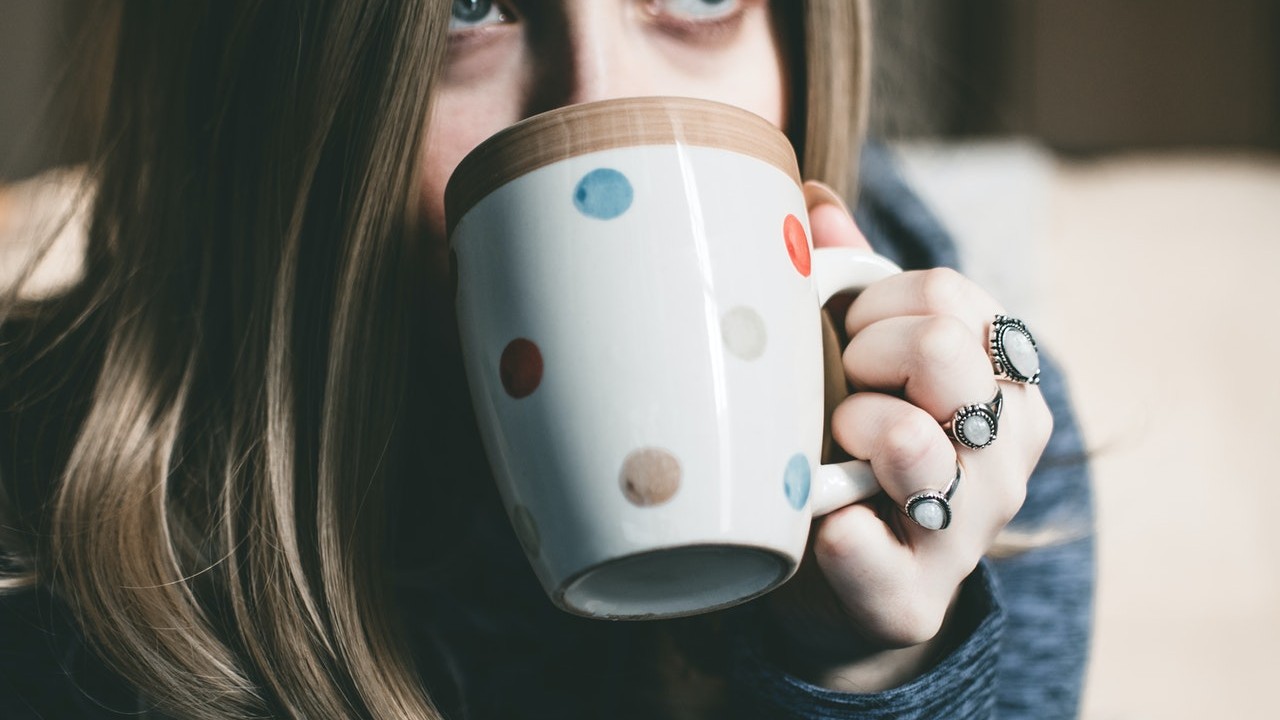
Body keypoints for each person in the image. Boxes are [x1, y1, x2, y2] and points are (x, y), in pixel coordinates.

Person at [0, 1, 1093, 718]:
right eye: (464, 8)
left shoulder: (964, 449)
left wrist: (875, 676)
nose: (600, 105)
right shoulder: (46, 520)